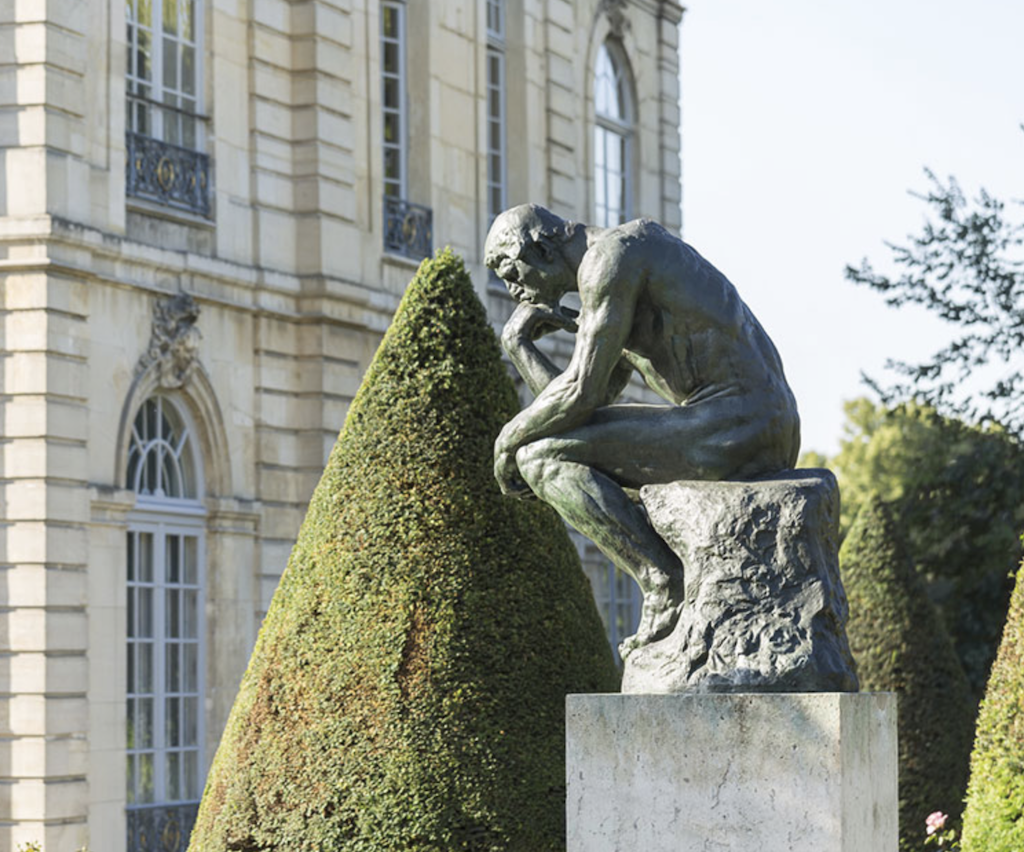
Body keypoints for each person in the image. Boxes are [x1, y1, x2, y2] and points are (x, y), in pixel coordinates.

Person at [485, 204, 800, 655]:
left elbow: (580, 393)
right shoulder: (609, 277)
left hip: (741, 422)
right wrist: (518, 346)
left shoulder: (612, 259)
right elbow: (584, 408)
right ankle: (664, 579)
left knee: (537, 456)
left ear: (538, 247)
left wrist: (508, 438)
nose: (514, 290)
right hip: (742, 422)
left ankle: (662, 581)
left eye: (510, 272)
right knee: (545, 451)